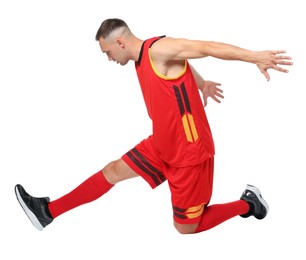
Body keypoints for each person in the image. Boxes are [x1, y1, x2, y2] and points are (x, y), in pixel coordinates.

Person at [15, 18, 293, 234]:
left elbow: (205, 47)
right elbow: (181, 62)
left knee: (186, 227)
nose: (109, 58)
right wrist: (202, 84)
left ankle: (249, 203)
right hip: (161, 143)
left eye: (108, 51)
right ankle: (47, 212)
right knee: (112, 171)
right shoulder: (144, 58)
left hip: (188, 152)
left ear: (120, 42)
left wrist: (254, 56)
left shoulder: (159, 48)